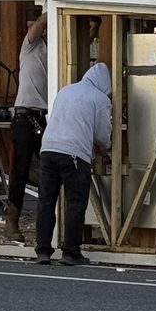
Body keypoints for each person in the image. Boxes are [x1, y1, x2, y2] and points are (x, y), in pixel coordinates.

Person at [34, 60, 111, 267]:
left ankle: (42, 250)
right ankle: (70, 252)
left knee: (46, 201)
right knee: (75, 203)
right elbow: (103, 136)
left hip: (48, 149)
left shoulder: (66, 90)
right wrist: (106, 147)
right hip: (74, 154)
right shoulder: (100, 98)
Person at [4, 12, 48, 241]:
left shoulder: (55, 48)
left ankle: (50, 221)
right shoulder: (30, 46)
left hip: (43, 116)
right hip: (24, 115)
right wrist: (49, 14)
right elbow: (40, 23)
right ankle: (11, 222)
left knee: (50, 165)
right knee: (19, 170)